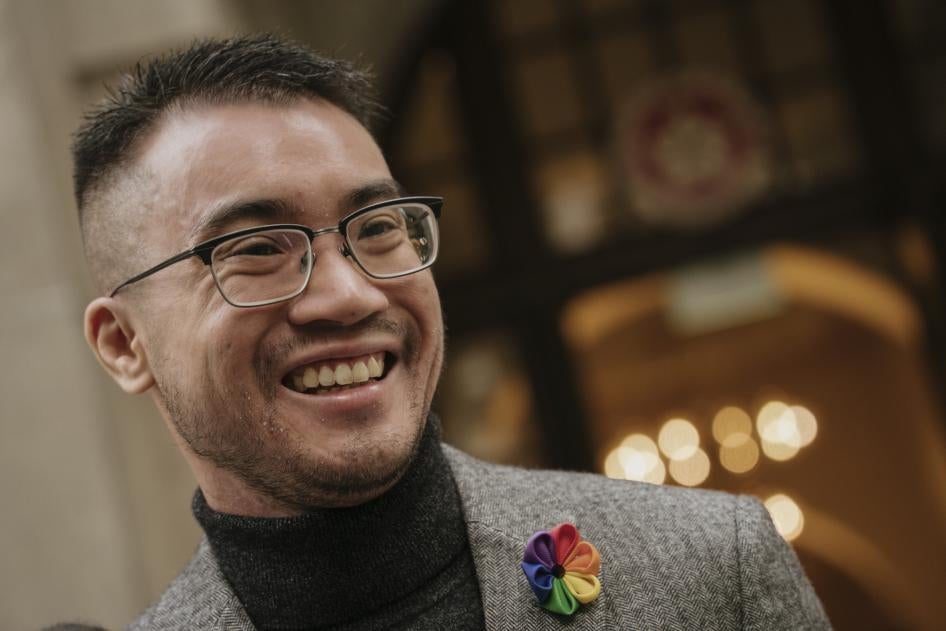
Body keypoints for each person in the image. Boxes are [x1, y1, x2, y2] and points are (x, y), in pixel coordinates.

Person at [73, 34, 830, 630]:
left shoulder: (711, 570)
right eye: (257, 248)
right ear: (123, 344)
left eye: (377, 227)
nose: (350, 293)